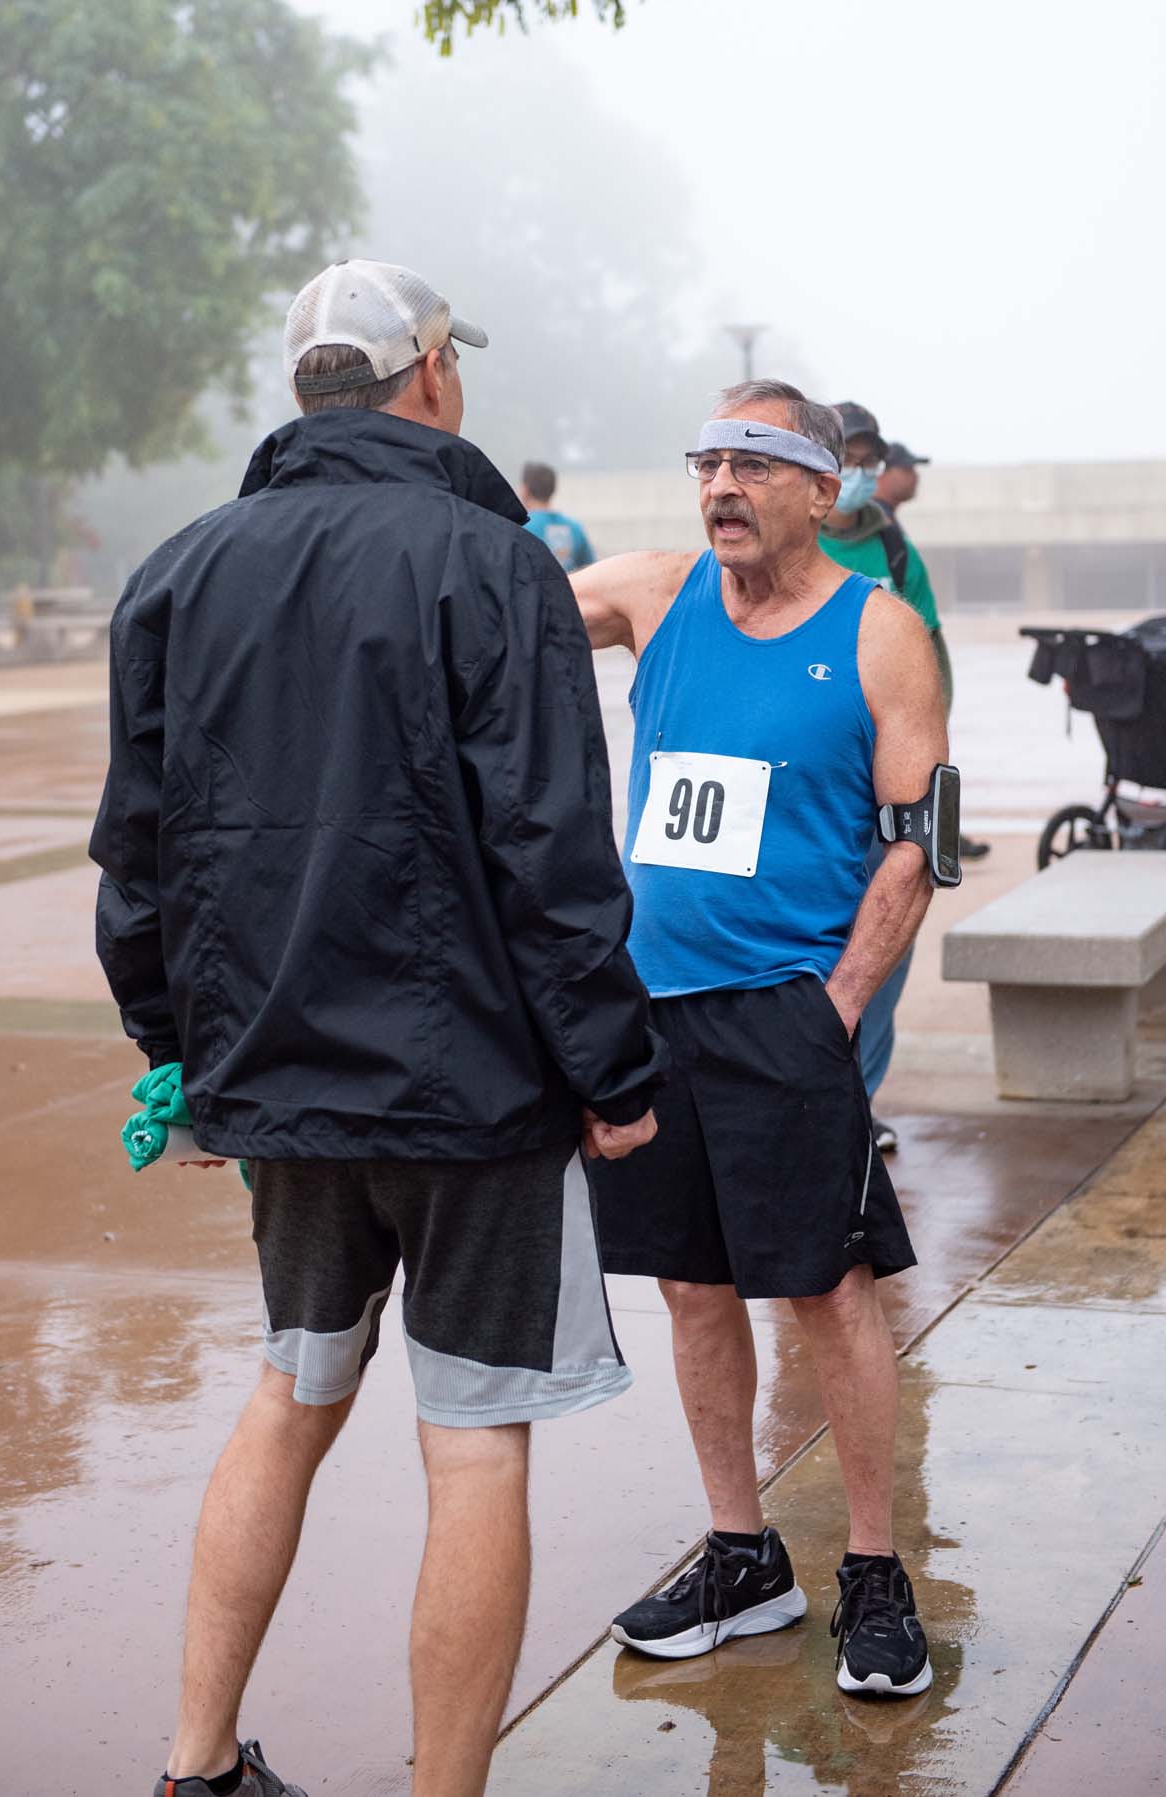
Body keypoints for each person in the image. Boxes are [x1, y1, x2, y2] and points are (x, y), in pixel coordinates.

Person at [91, 258, 666, 1797]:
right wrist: (613, 1072)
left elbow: (132, 862)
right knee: (473, 1440)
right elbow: (553, 850)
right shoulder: (493, 567)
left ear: (303, 386)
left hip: (274, 1083)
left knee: (290, 1396)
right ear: (426, 371)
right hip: (472, 1090)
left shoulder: (177, 574)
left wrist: (180, 1058)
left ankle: (195, 1765)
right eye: (447, 359)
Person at [572, 377, 948, 1700]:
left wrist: (837, 1005)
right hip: (654, 1008)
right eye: (707, 463)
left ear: (821, 486)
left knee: (826, 1288)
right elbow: (491, 598)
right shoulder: (660, 595)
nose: (722, 487)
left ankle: (870, 1567)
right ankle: (743, 1554)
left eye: (752, 465)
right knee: (690, 1283)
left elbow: (922, 845)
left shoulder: (878, 631)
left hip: (788, 1010)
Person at [877, 438, 991, 869]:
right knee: (915, 758)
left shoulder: (886, 524)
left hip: (921, 645)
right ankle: (925, 837)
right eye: (908, 468)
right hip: (905, 658)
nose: (915, 477)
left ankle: (942, 832)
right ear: (885, 473)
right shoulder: (877, 529)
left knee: (931, 757)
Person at [520, 460, 596, 572]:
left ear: (525, 490)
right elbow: (591, 569)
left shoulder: (520, 528)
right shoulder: (575, 528)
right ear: (553, 489)